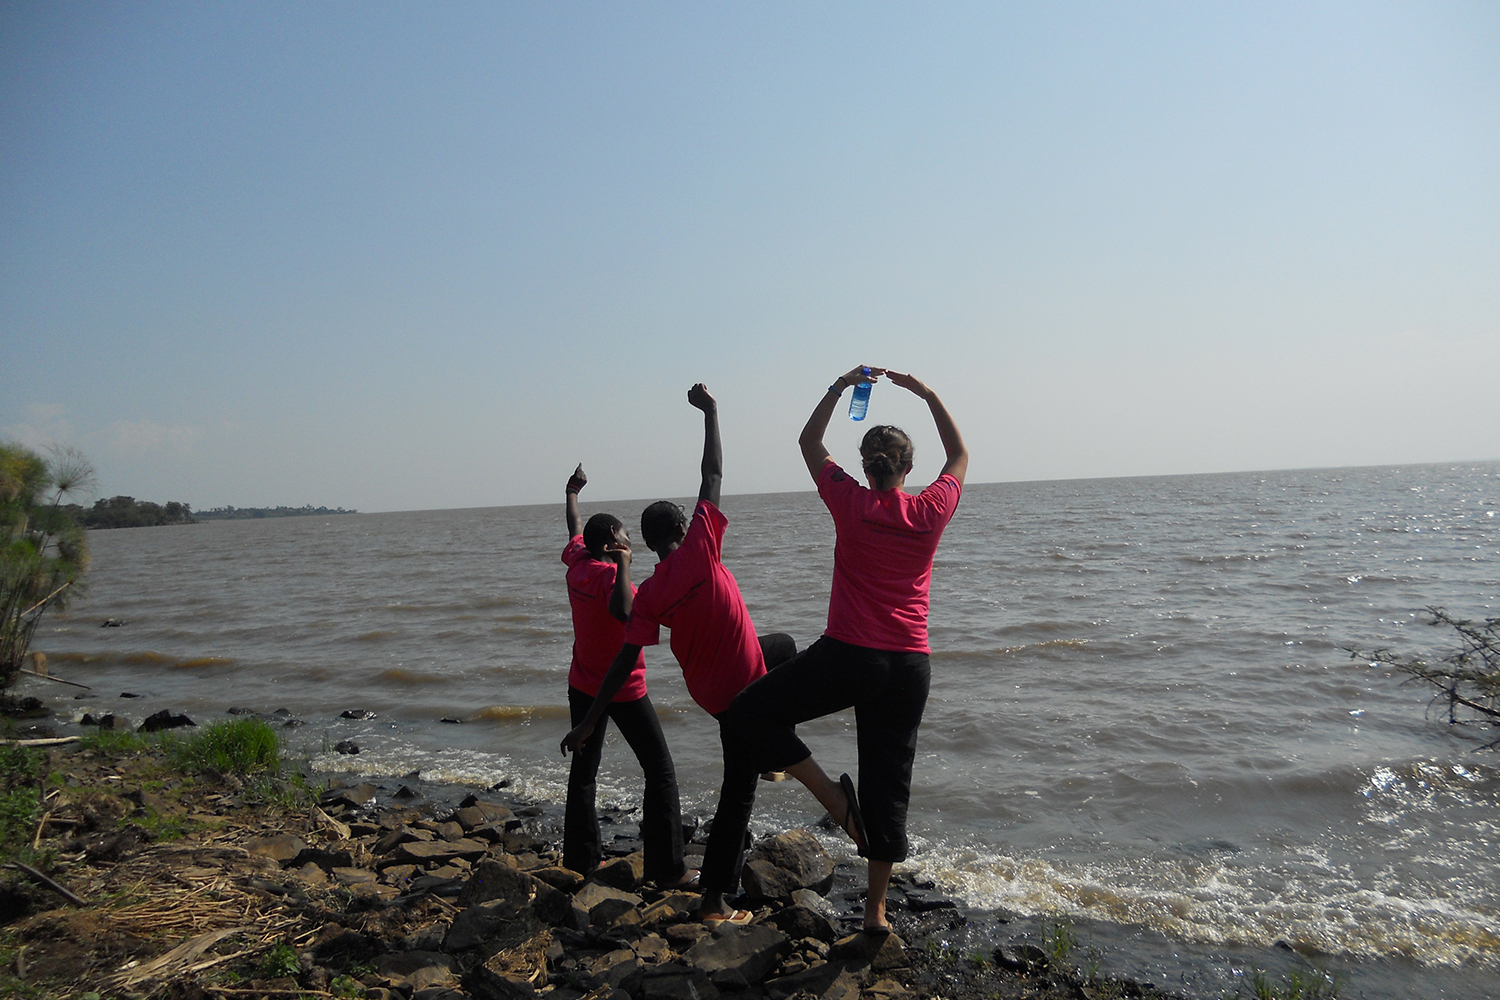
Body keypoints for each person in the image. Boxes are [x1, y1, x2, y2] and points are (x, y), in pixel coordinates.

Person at [560, 384, 825, 925]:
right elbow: (712, 475)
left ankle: (586, 862)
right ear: (683, 528)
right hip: (693, 689)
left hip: (665, 684)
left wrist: (588, 718)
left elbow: (620, 642)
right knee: (706, 783)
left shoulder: (617, 580)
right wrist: (711, 413)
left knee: (780, 647)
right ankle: (701, 892)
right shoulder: (689, 554)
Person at [720, 366, 967, 933]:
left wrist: (838, 386)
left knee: (750, 712)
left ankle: (833, 799)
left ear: (865, 466)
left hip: (852, 655)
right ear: (908, 468)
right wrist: (927, 393)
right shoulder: (930, 510)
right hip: (909, 665)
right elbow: (958, 454)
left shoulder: (850, 501)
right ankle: (876, 913)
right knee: (889, 780)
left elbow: (809, 442)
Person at [559, 464, 690, 886]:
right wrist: (625, 566)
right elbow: (626, 612)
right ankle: (668, 870)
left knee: (584, 774)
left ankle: (580, 861)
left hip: (583, 684)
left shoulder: (577, 561)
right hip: (625, 689)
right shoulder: (614, 579)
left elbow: (575, 527)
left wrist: (572, 492)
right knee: (660, 771)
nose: (631, 539)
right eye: (626, 535)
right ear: (613, 544)